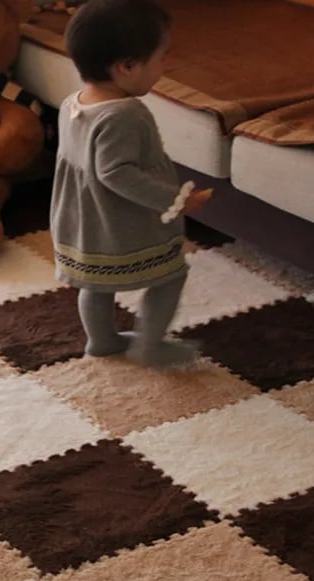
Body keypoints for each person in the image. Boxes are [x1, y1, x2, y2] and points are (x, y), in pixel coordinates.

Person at [49, 0, 212, 366]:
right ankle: (150, 346)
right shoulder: (125, 114)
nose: (164, 66)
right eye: (160, 57)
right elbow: (116, 173)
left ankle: (102, 340)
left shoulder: (73, 102)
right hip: (121, 223)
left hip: (82, 221)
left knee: (94, 282)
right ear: (126, 66)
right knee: (169, 276)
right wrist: (176, 200)